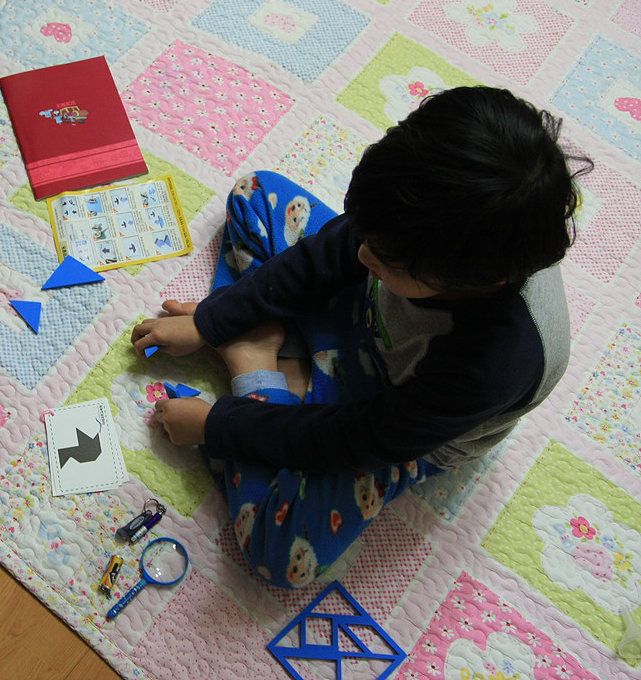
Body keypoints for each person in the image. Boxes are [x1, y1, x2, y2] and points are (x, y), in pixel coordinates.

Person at [131, 87, 591, 588]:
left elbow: (357, 438)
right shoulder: (412, 220)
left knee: (280, 553)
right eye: (368, 234)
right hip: (370, 319)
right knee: (254, 195)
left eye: (386, 259)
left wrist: (219, 424)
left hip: (397, 421)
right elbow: (332, 253)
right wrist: (209, 322)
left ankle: (257, 362)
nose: (364, 254)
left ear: (472, 282)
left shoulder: (493, 363)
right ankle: (291, 367)